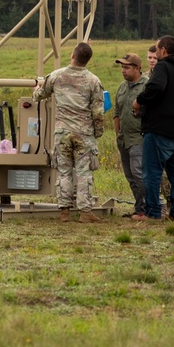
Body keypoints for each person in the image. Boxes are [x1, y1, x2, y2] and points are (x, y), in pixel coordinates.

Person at [33, 42, 106, 223]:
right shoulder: (93, 81)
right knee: (84, 173)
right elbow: (97, 112)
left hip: (62, 133)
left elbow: (40, 95)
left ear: (73, 56)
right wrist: (97, 132)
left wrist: (36, 88)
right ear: (87, 60)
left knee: (64, 172)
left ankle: (64, 212)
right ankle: (85, 212)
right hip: (84, 134)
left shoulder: (57, 76)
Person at [132, 35, 174, 221]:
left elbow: (156, 87)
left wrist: (139, 101)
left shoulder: (162, 67)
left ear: (164, 51)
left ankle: (152, 213)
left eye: (157, 49)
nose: (155, 52)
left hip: (159, 129)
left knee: (152, 172)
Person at [113, 53, 147, 220]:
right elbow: (117, 112)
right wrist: (117, 133)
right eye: (122, 67)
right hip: (124, 139)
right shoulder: (122, 87)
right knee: (130, 175)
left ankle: (151, 206)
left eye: (126, 67)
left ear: (137, 68)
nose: (123, 71)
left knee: (138, 172)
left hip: (139, 138)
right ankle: (139, 207)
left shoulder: (146, 86)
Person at [146, 43, 172, 217]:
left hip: (164, 127)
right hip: (149, 128)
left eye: (155, 58)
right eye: (149, 58)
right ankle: (154, 205)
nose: (152, 61)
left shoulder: (165, 74)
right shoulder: (146, 77)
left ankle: (170, 201)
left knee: (166, 171)